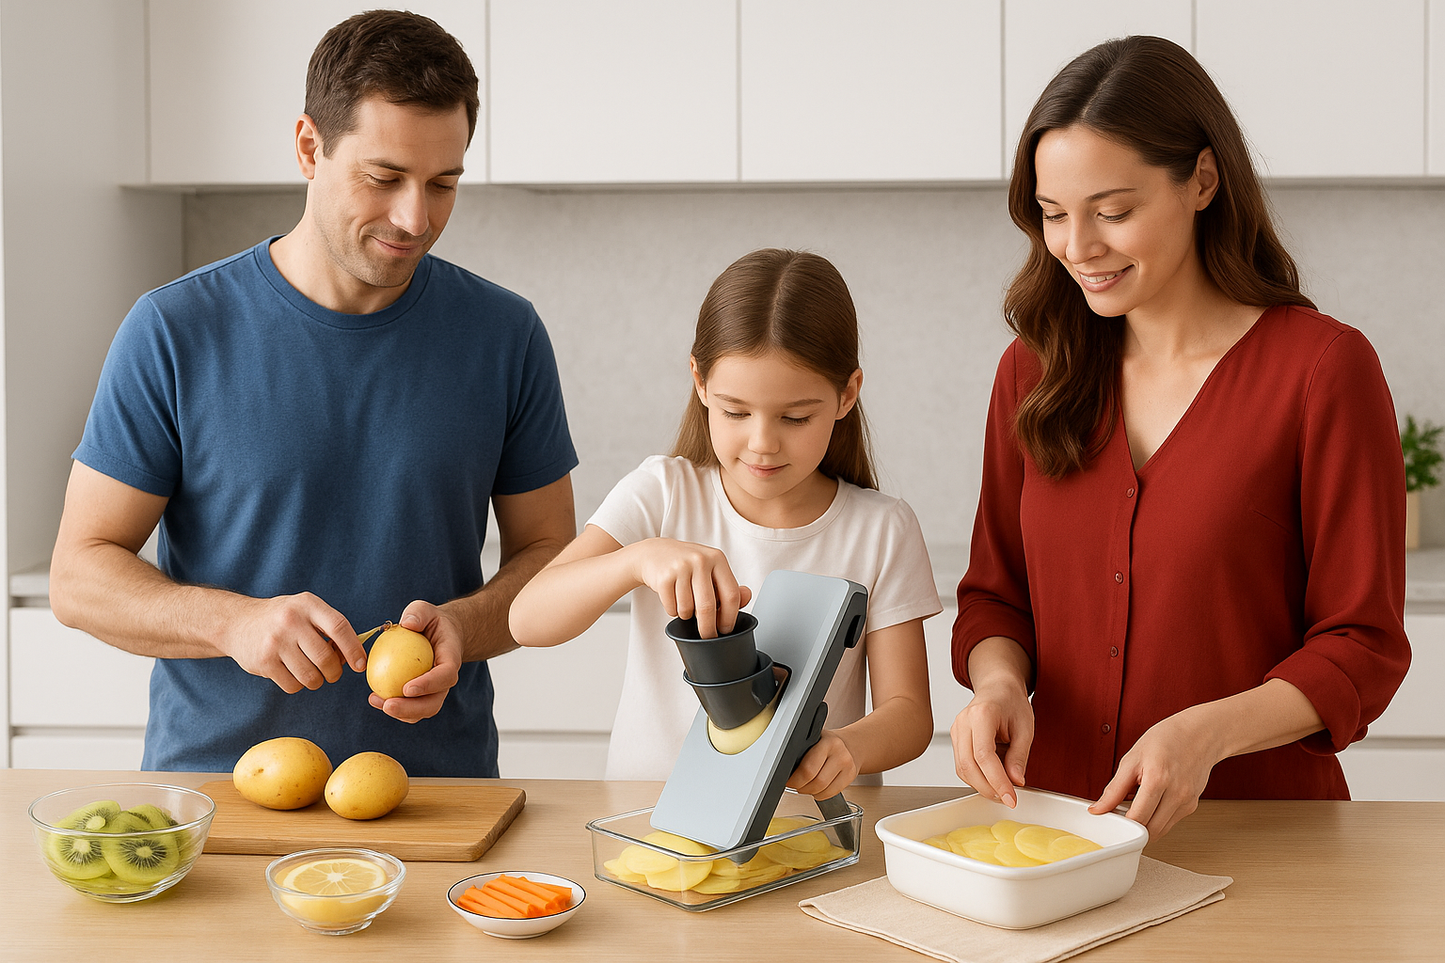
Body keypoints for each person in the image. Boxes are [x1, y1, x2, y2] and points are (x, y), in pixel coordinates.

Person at [48, 10, 578, 778]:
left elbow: (550, 555)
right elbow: (78, 574)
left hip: (438, 798)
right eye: (384, 178)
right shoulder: (174, 328)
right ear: (308, 146)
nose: (415, 218)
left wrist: (467, 625)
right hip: (217, 797)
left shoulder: (505, 334)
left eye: (443, 183)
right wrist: (232, 623)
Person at [950, 36, 1412, 839]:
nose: (1077, 247)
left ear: (1202, 180)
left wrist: (1207, 732)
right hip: (1057, 837)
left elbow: (1360, 643)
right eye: (1053, 215)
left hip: (1263, 843)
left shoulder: (1321, 369)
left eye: (1113, 211)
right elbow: (995, 596)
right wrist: (995, 685)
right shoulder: (1030, 372)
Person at [509, 249, 938, 797]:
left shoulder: (883, 529)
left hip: (802, 839)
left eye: (795, 417)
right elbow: (527, 619)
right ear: (701, 382)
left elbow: (908, 714)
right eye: (736, 412)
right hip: (650, 825)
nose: (762, 443)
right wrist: (637, 559)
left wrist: (851, 747)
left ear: (847, 394)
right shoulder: (662, 493)